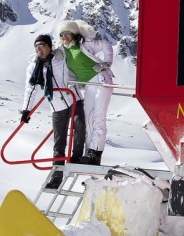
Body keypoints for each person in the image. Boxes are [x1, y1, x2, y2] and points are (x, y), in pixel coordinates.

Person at [21, 34, 85, 189]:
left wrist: (76, 37)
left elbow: (70, 46)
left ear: (49, 46)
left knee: (80, 126)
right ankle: (56, 177)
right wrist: (26, 110)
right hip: (57, 106)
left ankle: (76, 158)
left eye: (42, 45)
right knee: (59, 142)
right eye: (36, 45)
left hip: (73, 98)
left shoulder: (60, 57)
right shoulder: (33, 67)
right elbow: (31, 89)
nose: (38, 48)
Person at [53, 20, 114, 165]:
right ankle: (88, 153)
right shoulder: (63, 50)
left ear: (73, 32)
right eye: (61, 34)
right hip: (89, 86)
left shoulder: (84, 42)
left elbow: (106, 44)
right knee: (88, 119)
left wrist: (106, 63)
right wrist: (55, 53)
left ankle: (95, 153)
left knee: (98, 118)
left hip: (101, 80)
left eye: (67, 32)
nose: (64, 36)